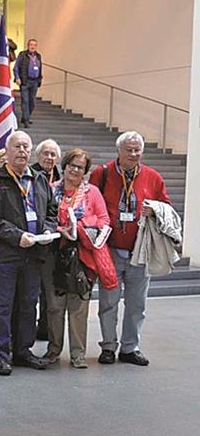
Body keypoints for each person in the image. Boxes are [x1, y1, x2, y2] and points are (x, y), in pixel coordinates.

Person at [0, 131, 58, 376]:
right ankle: (1, 353)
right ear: (8, 151)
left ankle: (23, 350)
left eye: (26, 147)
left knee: (28, 304)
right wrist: (16, 236)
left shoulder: (40, 180)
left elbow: (53, 210)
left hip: (35, 254)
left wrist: (47, 229)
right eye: (17, 147)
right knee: (3, 306)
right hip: (7, 255)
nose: (22, 151)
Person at [89, 131, 171, 366]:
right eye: (129, 150)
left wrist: (154, 210)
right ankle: (107, 346)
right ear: (119, 151)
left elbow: (166, 208)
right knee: (108, 302)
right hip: (110, 251)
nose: (134, 154)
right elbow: (90, 204)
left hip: (140, 252)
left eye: (137, 150)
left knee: (137, 304)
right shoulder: (101, 174)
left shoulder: (153, 177)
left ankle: (129, 347)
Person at [42, 148, 117, 369]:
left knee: (79, 307)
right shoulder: (51, 190)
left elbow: (104, 220)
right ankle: (53, 350)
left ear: (85, 171)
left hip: (83, 258)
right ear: (64, 166)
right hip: (54, 256)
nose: (75, 170)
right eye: (71, 165)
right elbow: (40, 218)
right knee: (54, 306)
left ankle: (78, 354)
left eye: (80, 167)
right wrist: (58, 228)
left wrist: (84, 227)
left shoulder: (92, 192)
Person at [31, 138, 62, 339]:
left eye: (53, 154)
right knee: (31, 291)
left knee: (49, 292)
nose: (49, 157)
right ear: (38, 155)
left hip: (56, 244)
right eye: (46, 153)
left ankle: (44, 329)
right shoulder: (30, 175)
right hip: (32, 243)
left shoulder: (63, 178)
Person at [14, 39, 43, 128]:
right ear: (28, 45)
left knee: (32, 102)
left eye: (34, 45)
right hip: (25, 81)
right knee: (25, 101)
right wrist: (17, 78)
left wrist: (40, 79)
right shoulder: (22, 55)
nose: (32, 46)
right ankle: (26, 120)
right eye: (31, 44)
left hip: (35, 81)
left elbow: (40, 67)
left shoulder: (38, 56)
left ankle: (25, 116)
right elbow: (16, 67)